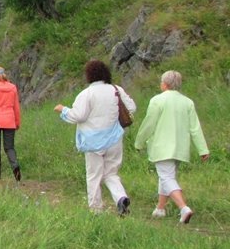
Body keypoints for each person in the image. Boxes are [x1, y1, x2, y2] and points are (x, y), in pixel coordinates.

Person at [54, 60, 137, 214]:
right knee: (111, 173)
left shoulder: (87, 94)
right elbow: (131, 107)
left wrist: (63, 110)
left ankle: (95, 209)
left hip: (93, 141)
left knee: (94, 175)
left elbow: (78, 116)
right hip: (114, 138)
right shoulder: (116, 89)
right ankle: (120, 198)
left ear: (89, 75)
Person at [134, 70, 209, 224]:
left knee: (166, 177)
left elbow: (149, 123)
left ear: (165, 84)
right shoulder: (187, 102)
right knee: (167, 176)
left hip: (162, 147)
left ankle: (183, 208)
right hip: (180, 147)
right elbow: (195, 128)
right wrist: (203, 149)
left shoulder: (157, 100)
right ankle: (160, 208)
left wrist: (139, 142)